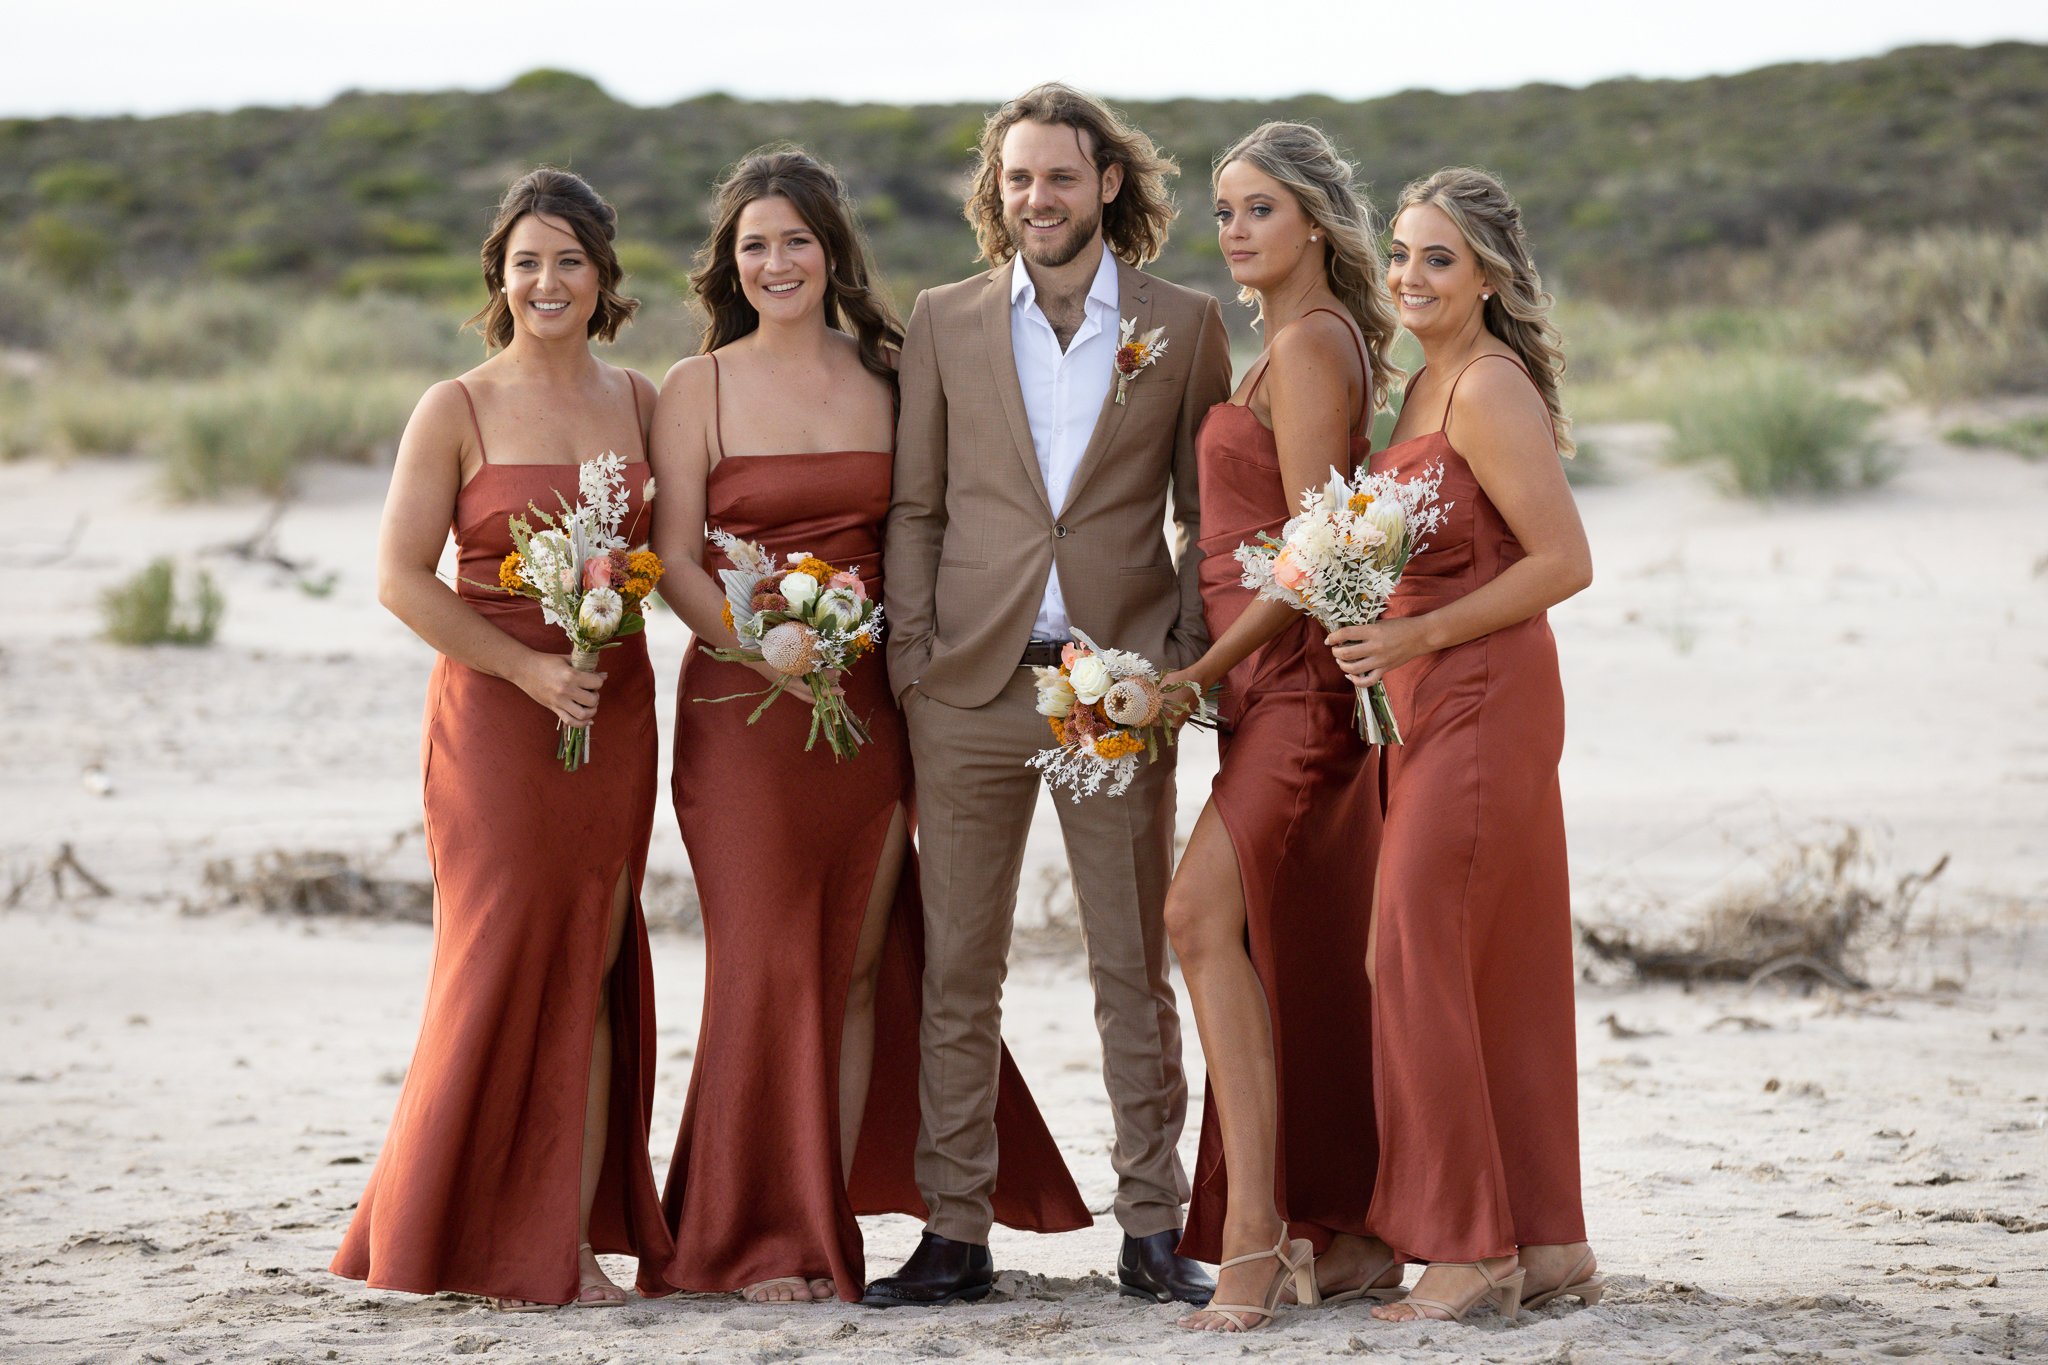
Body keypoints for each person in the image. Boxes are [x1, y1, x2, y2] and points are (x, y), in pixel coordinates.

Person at [636, 147, 1089, 1307]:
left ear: (831, 250)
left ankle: (818, 1218)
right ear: (730, 266)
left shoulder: (893, 371)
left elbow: (937, 529)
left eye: (794, 240)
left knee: (848, 971)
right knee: (763, 963)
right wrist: (758, 645)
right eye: (753, 246)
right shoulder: (699, 388)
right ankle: (751, 1238)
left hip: (874, 705)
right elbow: (675, 559)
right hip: (741, 711)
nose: (776, 262)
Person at [869, 84, 1231, 1309]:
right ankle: (954, 1231)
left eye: (1060, 178)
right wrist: (914, 662)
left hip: (1115, 693)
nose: (1038, 199)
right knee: (959, 970)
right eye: (1017, 180)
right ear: (997, 191)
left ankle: (1150, 1230)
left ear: (1106, 184)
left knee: (1129, 966)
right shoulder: (945, 320)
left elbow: (1204, 514)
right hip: (967, 686)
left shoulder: (1182, 324)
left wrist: (1173, 663)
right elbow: (914, 506)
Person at [331, 167, 671, 1310]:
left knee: (593, 957)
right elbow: (395, 579)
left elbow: (671, 556)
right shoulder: (456, 406)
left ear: (603, 275)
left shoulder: (641, 400)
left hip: (612, 711)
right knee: (499, 956)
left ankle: (563, 1245)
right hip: (493, 716)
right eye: (526, 261)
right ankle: (441, 1226)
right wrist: (527, 667)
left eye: (569, 259)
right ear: (499, 276)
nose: (546, 280)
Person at [1325, 166, 1601, 1325]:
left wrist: (1419, 632)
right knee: (1491, 964)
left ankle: (1468, 1249)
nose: (1408, 276)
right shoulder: (1417, 384)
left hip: (1482, 694)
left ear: (1487, 275)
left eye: (1436, 258)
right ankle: (1544, 1242)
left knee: (1412, 953)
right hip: (1428, 695)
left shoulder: (1485, 386)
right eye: (1399, 253)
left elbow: (1561, 562)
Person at [1160, 122, 1404, 1333]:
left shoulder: (1311, 347)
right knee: (1283, 956)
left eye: (1258, 208)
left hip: (1300, 692)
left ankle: (1255, 1236)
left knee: (1194, 917)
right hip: (1252, 690)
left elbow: (1317, 552)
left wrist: (1203, 662)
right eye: (1222, 212)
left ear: (1312, 222)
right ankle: (1348, 1235)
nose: (1236, 230)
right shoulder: (1271, 347)